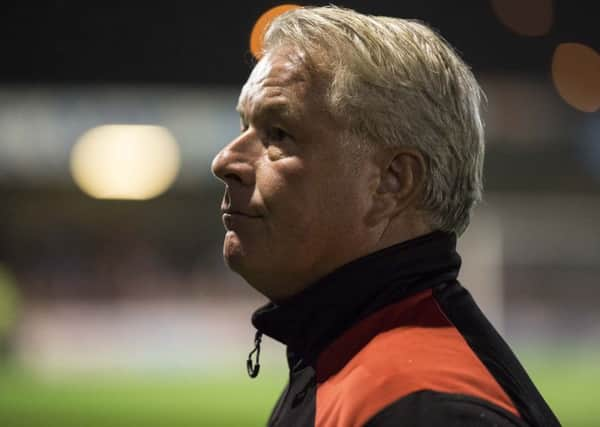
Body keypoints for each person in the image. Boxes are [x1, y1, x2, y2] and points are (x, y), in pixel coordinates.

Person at [211, 5, 559, 427]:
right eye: (244, 126)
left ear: (392, 181)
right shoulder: (349, 352)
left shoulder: (428, 410)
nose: (226, 159)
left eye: (279, 134)